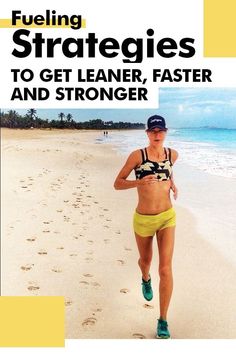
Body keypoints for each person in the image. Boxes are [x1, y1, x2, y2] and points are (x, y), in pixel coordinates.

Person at [113, 115, 178, 339]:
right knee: (146, 261)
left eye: (161, 130)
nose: (157, 134)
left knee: (165, 269)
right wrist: (138, 182)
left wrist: (174, 184)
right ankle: (145, 277)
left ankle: (163, 320)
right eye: (153, 131)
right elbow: (117, 183)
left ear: (166, 132)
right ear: (147, 133)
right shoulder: (137, 156)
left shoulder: (172, 154)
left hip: (167, 217)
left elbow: (168, 172)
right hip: (143, 219)